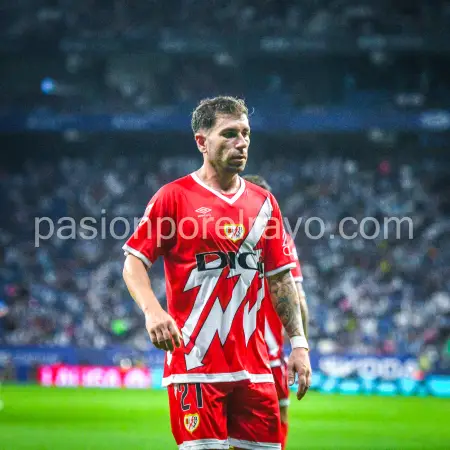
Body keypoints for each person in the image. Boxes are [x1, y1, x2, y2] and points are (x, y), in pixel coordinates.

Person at [122, 96, 311, 450]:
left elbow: (281, 279)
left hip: (255, 370)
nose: (241, 143)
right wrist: (152, 311)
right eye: (229, 134)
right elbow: (133, 262)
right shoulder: (173, 197)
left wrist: (299, 345)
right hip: (195, 365)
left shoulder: (264, 203)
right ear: (201, 142)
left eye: (245, 133)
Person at [243, 175, 309, 450]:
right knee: (275, 423)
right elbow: (299, 299)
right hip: (267, 354)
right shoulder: (281, 240)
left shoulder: (221, 231)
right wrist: (300, 344)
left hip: (229, 353)